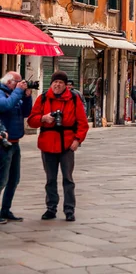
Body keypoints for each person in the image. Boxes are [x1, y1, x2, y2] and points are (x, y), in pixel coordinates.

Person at [27, 71, 89, 222]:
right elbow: (31, 120)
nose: (57, 85)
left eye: (60, 82)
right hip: (47, 143)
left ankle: (69, 209)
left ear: (65, 85)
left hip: (67, 144)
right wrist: (43, 118)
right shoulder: (43, 99)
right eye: (55, 82)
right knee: (50, 179)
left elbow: (83, 123)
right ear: (51, 83)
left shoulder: (74, 99)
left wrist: (77, 140)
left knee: (68, 179)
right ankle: (51, 208)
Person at [0, 72, 32, 223]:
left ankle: (5, 210)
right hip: (3, 143)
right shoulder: (1, 93)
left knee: (14, 179)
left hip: (15, 142)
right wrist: (19, 92)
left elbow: (26, 112)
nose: (20, 84)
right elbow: (5, 106)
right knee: (2, 180)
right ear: (9, 81)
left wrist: (27, 97)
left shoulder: (15, 94)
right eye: (18, 82)